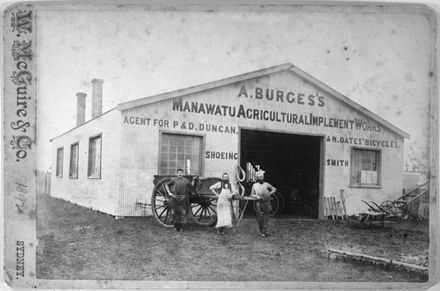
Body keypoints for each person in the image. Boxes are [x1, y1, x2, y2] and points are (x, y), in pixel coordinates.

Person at [251, 171, 277, 237]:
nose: (261, 178)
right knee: (260, 218)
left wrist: (269, 193)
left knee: (266, 218)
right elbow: (252, 194)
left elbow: (274, 189)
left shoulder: (266, 184)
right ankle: (261, 231)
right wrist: (256, 196)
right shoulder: (255, 185)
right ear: (257, 178)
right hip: (259, 203)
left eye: (262, 177)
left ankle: (265, 232)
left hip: (267, 203)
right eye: (260, 177)